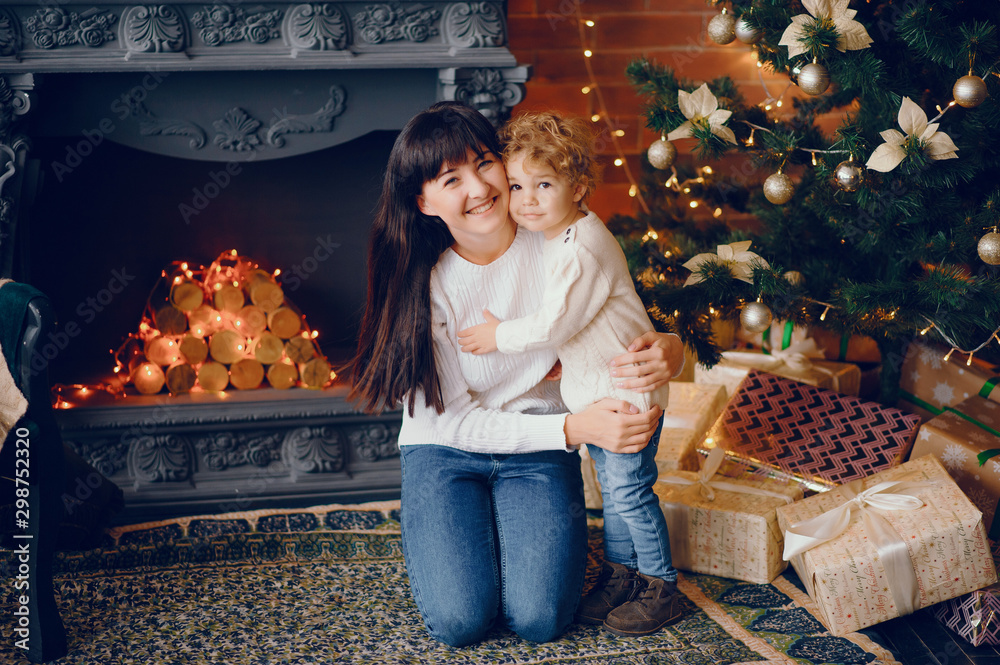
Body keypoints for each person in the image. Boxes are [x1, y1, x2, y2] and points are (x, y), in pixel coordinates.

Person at [348, 101, 683, 647]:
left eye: (484, 163)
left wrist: (672, 350)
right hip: (446, 450)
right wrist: (575, 430)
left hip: (536, 450)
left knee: (540, 618)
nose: (478, 188)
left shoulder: (559, 237)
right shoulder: (425, 283)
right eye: (451, 179)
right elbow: (453, 422)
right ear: (424, 202)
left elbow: (620, 313)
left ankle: (590, 559)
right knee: (460, 621)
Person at [457, 111, 682, 637]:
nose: (526, 198)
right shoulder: (555, 238)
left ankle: (660, 585)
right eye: (515, 185)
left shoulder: (582, 244)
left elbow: (557, 319)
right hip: (598, 393)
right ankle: (621, 575)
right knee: (612, 490)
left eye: (544, 184)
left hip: (626, 389)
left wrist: (499, 336)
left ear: (578, 188)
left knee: (630, 493)